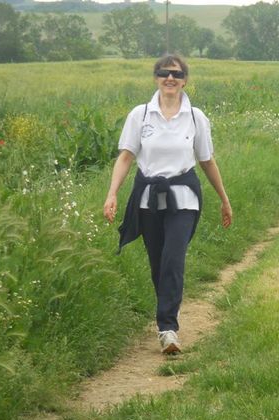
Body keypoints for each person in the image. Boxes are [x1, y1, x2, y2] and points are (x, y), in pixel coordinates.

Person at [103, 54, 233, 354]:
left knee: (174, 258)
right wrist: (112, 194)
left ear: (185, 79)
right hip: (148, 198)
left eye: (176, 73)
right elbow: (125, 158)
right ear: (156, 78)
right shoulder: (141, 115)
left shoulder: (196, 117)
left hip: (184, 199)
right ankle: (166, 319)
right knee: (157, 263)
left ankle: (168, 328)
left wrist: (224, 200)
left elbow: (207, 161)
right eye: (164, 73)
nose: (169, 78)